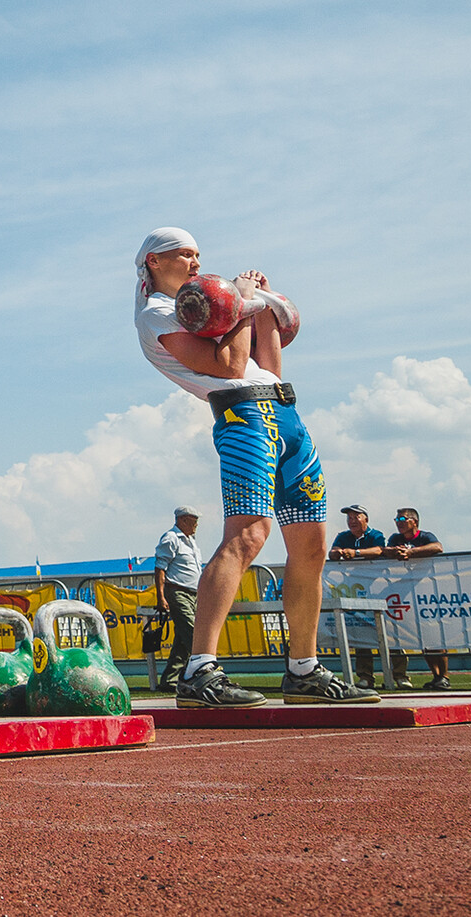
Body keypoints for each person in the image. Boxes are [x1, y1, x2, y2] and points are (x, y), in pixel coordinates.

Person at [133, 227, 375, 707]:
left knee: (311, 545)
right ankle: (199, 670)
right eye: (184, 254)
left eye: (199, 254)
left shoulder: (207, 306)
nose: (196, 262)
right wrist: (242, 303)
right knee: (248, 535)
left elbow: (266, 367)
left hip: (284, 413)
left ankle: (303, 670)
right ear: (154, 263)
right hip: (243, 416)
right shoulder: (157, 313)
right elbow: (228, 366)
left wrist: (262, 311)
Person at [327, 505, 394, 688]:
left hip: (379, 590)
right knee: (361, 634)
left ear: (366, 519)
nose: (352, 521)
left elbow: (380, 550)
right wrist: (336, 553)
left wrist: (355, 553)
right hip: (355, 591)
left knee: (391, 633)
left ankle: (399, 675)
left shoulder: (375, 534)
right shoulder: (343, 536)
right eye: (349, 518)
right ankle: (365, 676)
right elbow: (332, 553)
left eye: (356, 517)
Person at [388, 508, 450, 689]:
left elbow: (437, 547)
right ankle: (436, 675)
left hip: (428, 591)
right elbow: (387, 550)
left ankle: (444, 676)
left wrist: (412, 553)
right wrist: (395, 552)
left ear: (414, 521)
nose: (398, 522)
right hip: (406, 593)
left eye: (402, 518)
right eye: (396, 519)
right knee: (424, 640)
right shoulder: (395, 538)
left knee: (436, 637)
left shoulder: (425, 536)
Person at [152, 507, 203, 693]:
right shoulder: (171, 538)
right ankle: (201, 672)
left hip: (193, 593)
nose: (196, 524)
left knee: (183, 639)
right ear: (181, 520)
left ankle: (170, 679)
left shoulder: (191, 541)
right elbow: (160, 568)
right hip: (178, 592)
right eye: (193, 520)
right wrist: (161, 596)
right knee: (193, 633)